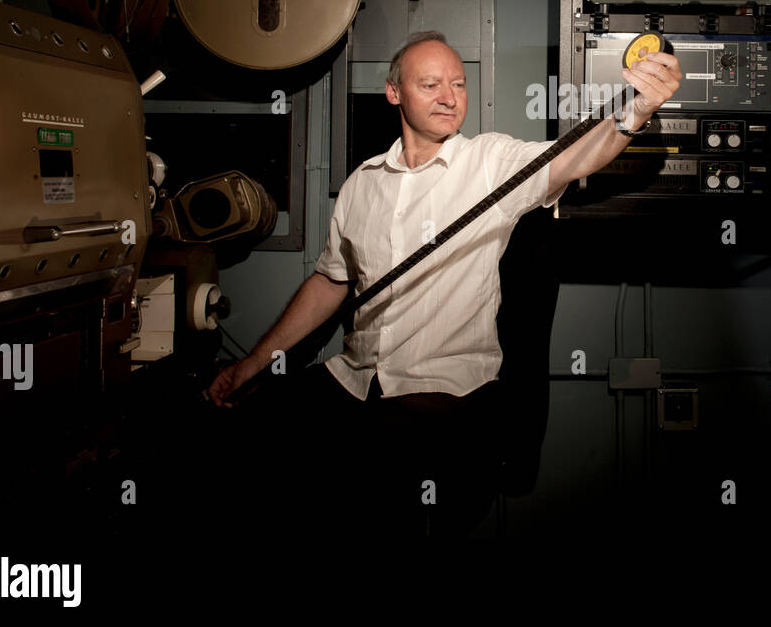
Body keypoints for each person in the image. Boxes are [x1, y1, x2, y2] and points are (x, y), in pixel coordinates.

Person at [206, 29, 681, 534]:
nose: (449, 97)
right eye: (430, 84)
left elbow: (575, 156)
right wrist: (256, 362)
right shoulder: (361, 184)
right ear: (394, 93)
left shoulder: (490, 163)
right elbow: (330, 280)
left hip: (444, 391)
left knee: (375, 490)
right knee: (247, 437)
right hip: (354, 376)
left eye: (457, 83)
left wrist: (637, 109)